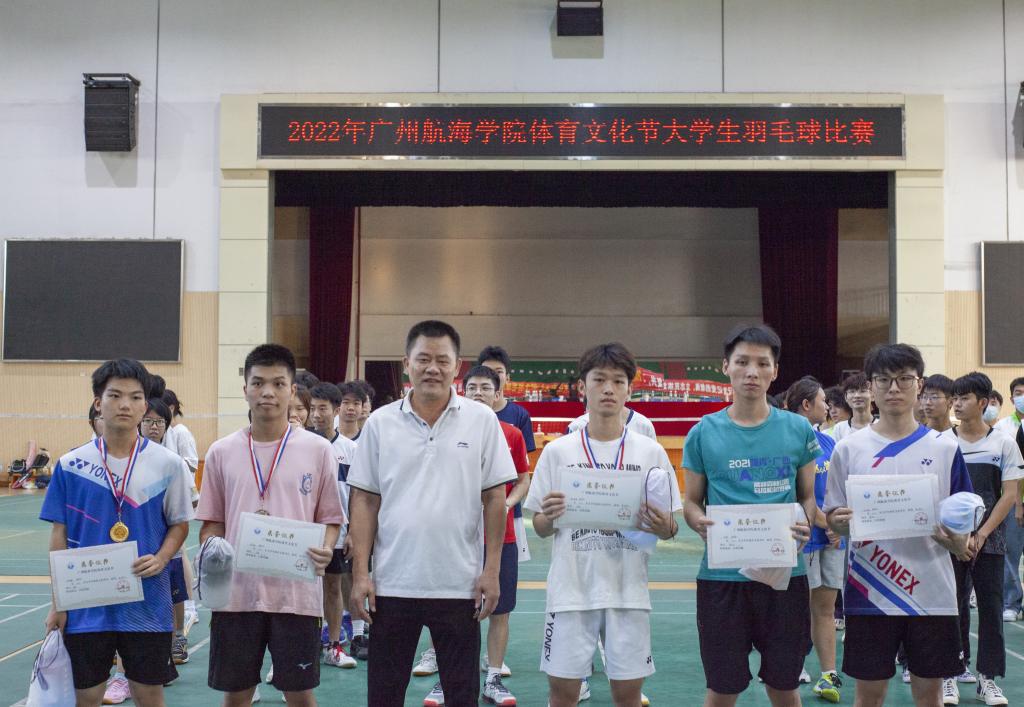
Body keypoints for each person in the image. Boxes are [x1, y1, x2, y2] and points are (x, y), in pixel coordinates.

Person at [347, 321, 517, 707]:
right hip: (392, 585)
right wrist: (361, 574)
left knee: (461, 696)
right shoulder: (380, 423)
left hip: (460, 585)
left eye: (442, 360)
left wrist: (491, 571)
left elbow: (495, 498)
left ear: (457, 366)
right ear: (407, 363)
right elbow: (365, 501)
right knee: (384, 696)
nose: (432, 368)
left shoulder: (481, 421)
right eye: (423, 359)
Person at [525, 343, 680, 707]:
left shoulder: (650, 452)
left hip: (629, 592)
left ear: (630, 389)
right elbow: (541, 526)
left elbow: (670, 527)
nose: (608, 389)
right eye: (599, 380)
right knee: (563, 694)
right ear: (583, 387)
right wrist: (550, 516)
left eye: (618, 381)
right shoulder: (558, 451)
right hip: (570, 592)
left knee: (627, 695)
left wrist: (663, 526)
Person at [825, 343, 974, 707]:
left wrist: (956, 543)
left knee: (930, 695)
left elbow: (963, 531)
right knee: (869, 696)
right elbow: (833, 516)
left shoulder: (945, 448)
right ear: (870, 386)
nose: (894, 388)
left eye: (904, 379)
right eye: (883, 379)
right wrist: (838, 523)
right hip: (869, 593)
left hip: (932, 594)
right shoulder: (848, 449)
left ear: (919, 384)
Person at [197, 344, 344, 707]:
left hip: (296, 596)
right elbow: (211, 524)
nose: (267, 392)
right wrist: (213, 552)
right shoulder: (221, 452)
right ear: (245, 389)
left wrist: (326, 549)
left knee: (299, 694)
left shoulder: (318, 450)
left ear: (292, 391)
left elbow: (330, 519)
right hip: (236, 597)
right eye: (258, 383)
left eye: (278, 384)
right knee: (237, 694)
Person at [41, 359, 194, 707]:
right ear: (99, 402)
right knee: (86, 696)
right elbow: (59, 537)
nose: (125, 404)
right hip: (85, 605)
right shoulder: (71, 465)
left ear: (145, 405)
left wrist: (162, 558)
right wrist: (58, 603)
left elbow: (180, 524)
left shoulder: (168, 464)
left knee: (149, 694)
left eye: (135, 397)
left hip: (147, 603)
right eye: (115, 395)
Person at [682, 324, 817, 707]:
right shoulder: (702, 432)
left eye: (762, 363)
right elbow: (691, 502)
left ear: (775, 371)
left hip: (784, 577)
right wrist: (697, 521)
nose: (752, 372)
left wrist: (806, 522)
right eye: (742, 362)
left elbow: (807, 497)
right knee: (723, 688)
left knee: (784, 685)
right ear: (726, 366)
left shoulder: (798, 429)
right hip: (721, 579)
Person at [943, 372, 1023, 704]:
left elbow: (1009, 494)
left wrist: (982, 533)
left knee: (991, 609)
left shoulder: (1003, 443)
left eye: (964, 398)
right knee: (951, 607)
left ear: (983, 402)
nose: (957, 404)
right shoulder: (943, 442)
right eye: (954, 398)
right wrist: (957, 537)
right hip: (950, 542)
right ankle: (949, 674)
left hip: (991, 540)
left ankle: (987, 679)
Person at [783, 377, 842, 704]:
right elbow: (798, 493)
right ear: (806, 405)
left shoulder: (829, 443)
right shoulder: (786, 442)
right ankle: (792, 667)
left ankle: (828, 674)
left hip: (832, 540)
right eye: (822, 401)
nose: (828, 406)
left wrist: (837, 526)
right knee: (795, 609)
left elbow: (838, 489)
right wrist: (826, 523)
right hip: (802, 539)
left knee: (825, 609)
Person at [139, 398, 199, 671]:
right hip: (139, 543)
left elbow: (189, 504)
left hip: (168, 543)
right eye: (149, 421)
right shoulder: (129, 460)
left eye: (159, 422)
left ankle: (177, 638)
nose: (154, 427)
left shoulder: (174, 463)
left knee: (175, 594)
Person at [308, 382, 359, 670]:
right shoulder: (302, 445)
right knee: (304, 589)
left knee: (333, 587)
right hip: (306, 532)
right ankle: (303, 647)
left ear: (336, 410)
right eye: (312, 409)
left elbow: (357, 495)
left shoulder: (351, 449)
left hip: (338, 532)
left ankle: (334, 645)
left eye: (322, 409)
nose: (316, 415)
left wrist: (353, 531)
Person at [995, 378, 1024, 623]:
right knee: (1010, 554)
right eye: (1018, 392)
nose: (1022, 397)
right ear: (1012, 397)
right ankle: (1011, 603)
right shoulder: (1003, 428)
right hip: (1013, 500)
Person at [476, 346, 537, 455]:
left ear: (507, 378)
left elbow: (524, 458)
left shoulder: (520, 415)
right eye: (487, 371)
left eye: (498, 371)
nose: (493, 376)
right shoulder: (469, 412)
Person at [831, 373, 873, 442]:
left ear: (872, 395)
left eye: (862, 391)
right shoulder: (839, 429)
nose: (857, 395)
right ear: (846, 397)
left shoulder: (881, 426)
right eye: (852, 391)